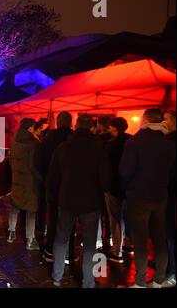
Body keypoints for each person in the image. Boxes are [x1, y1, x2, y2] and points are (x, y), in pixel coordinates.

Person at [48, 115, 112, 288]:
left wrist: (55, 196)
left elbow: (53, 178)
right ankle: (88, 282)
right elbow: (106, 180)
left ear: (75, 126)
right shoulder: (99, 149)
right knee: (90, 244)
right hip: (91, 203)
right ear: (91, 127)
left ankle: (57, 276)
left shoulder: (62, 148)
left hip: (67, 199)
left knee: (61, 239)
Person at [120, 108, 175, 288]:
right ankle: (159, 280)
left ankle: (141, 282)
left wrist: (127, 188)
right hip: (160, 197)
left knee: (140, 240)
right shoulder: (168, 143)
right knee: (160, 238)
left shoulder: (135, 142)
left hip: (139, 197)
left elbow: (125, 171)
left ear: (145, 120)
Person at [38, 111, 74, 263]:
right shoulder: (74, 137)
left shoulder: (48, 138)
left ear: (58, 122)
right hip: (71, 186)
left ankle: (50, 252)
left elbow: (39, 162)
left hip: (52, 185)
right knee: (70, 222)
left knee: (52, 220)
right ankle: (68, 253)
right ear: (70, 122)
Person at [7, 118, 41, 250]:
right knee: (31, 210)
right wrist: (40, 178)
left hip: (16, 179)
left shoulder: (14, 142)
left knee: (15, 206)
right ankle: (30, 240)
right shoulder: (33, 144)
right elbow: (33, 165)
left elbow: (11, 160)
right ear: (30, 128)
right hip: (29, 181)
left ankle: (11, 233)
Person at [104, 117, 132, 264]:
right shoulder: (132, 141)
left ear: (114, 127)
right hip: (130, 186)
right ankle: (128, 244)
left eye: (110, 126)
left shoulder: (112, 145)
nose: (109, 129)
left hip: (114, 186)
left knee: (115, 219)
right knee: (128, 216)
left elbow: (107, 167)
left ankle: (117, 251)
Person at [163, 110, 176, 287]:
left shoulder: (169, 142)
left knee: (170, 234)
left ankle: (171, 271)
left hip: (170, 194)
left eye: (166, 120)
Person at [97, 116, 112, 250]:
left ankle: (98, 240)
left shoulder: (99, 140)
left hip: (99, 181)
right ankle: (110, 236)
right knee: (109, 212)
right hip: (112, 181)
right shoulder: (116, 140)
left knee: (98, 211)